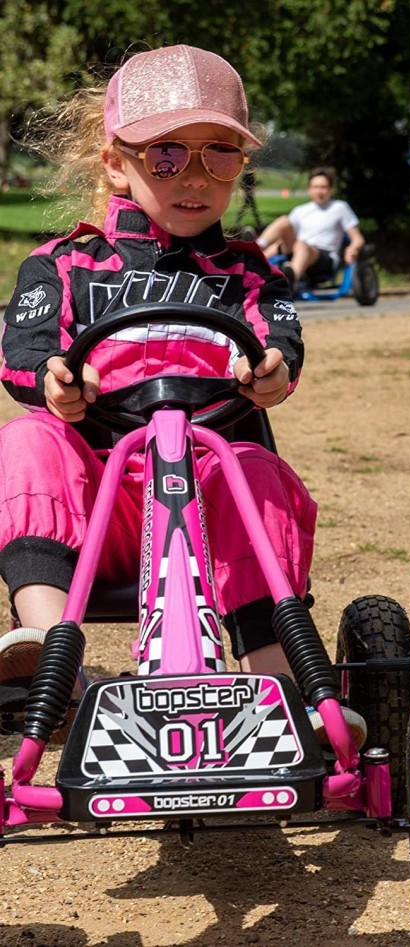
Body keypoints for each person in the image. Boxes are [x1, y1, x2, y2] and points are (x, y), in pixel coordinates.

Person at [0, 44, 365, 744]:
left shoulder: (250, 275)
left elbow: (279, 344)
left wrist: (269, 373)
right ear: (115, 162)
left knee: (255, 466)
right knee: (24, 439)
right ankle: (50, 649)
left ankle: (274, 680)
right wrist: (58, 382)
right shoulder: (62, 263)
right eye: (165, 155)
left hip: (214, 501)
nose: (194, 177)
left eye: (219, 154)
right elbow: (23, 355)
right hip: (101, 507)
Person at [255, 166, 365, 287]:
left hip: (324, 258)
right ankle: (255, 249)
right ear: (309, 189)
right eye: (315, 187)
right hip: (297, 251)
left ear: (331, 190)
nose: (319, 191)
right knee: (284, 221)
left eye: (323, 187)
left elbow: (357, 238)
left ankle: (291, 281)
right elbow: (282, 243)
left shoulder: (340, 208)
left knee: (302, 245)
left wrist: (352, 249)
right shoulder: (300, 210)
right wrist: (263, 257)